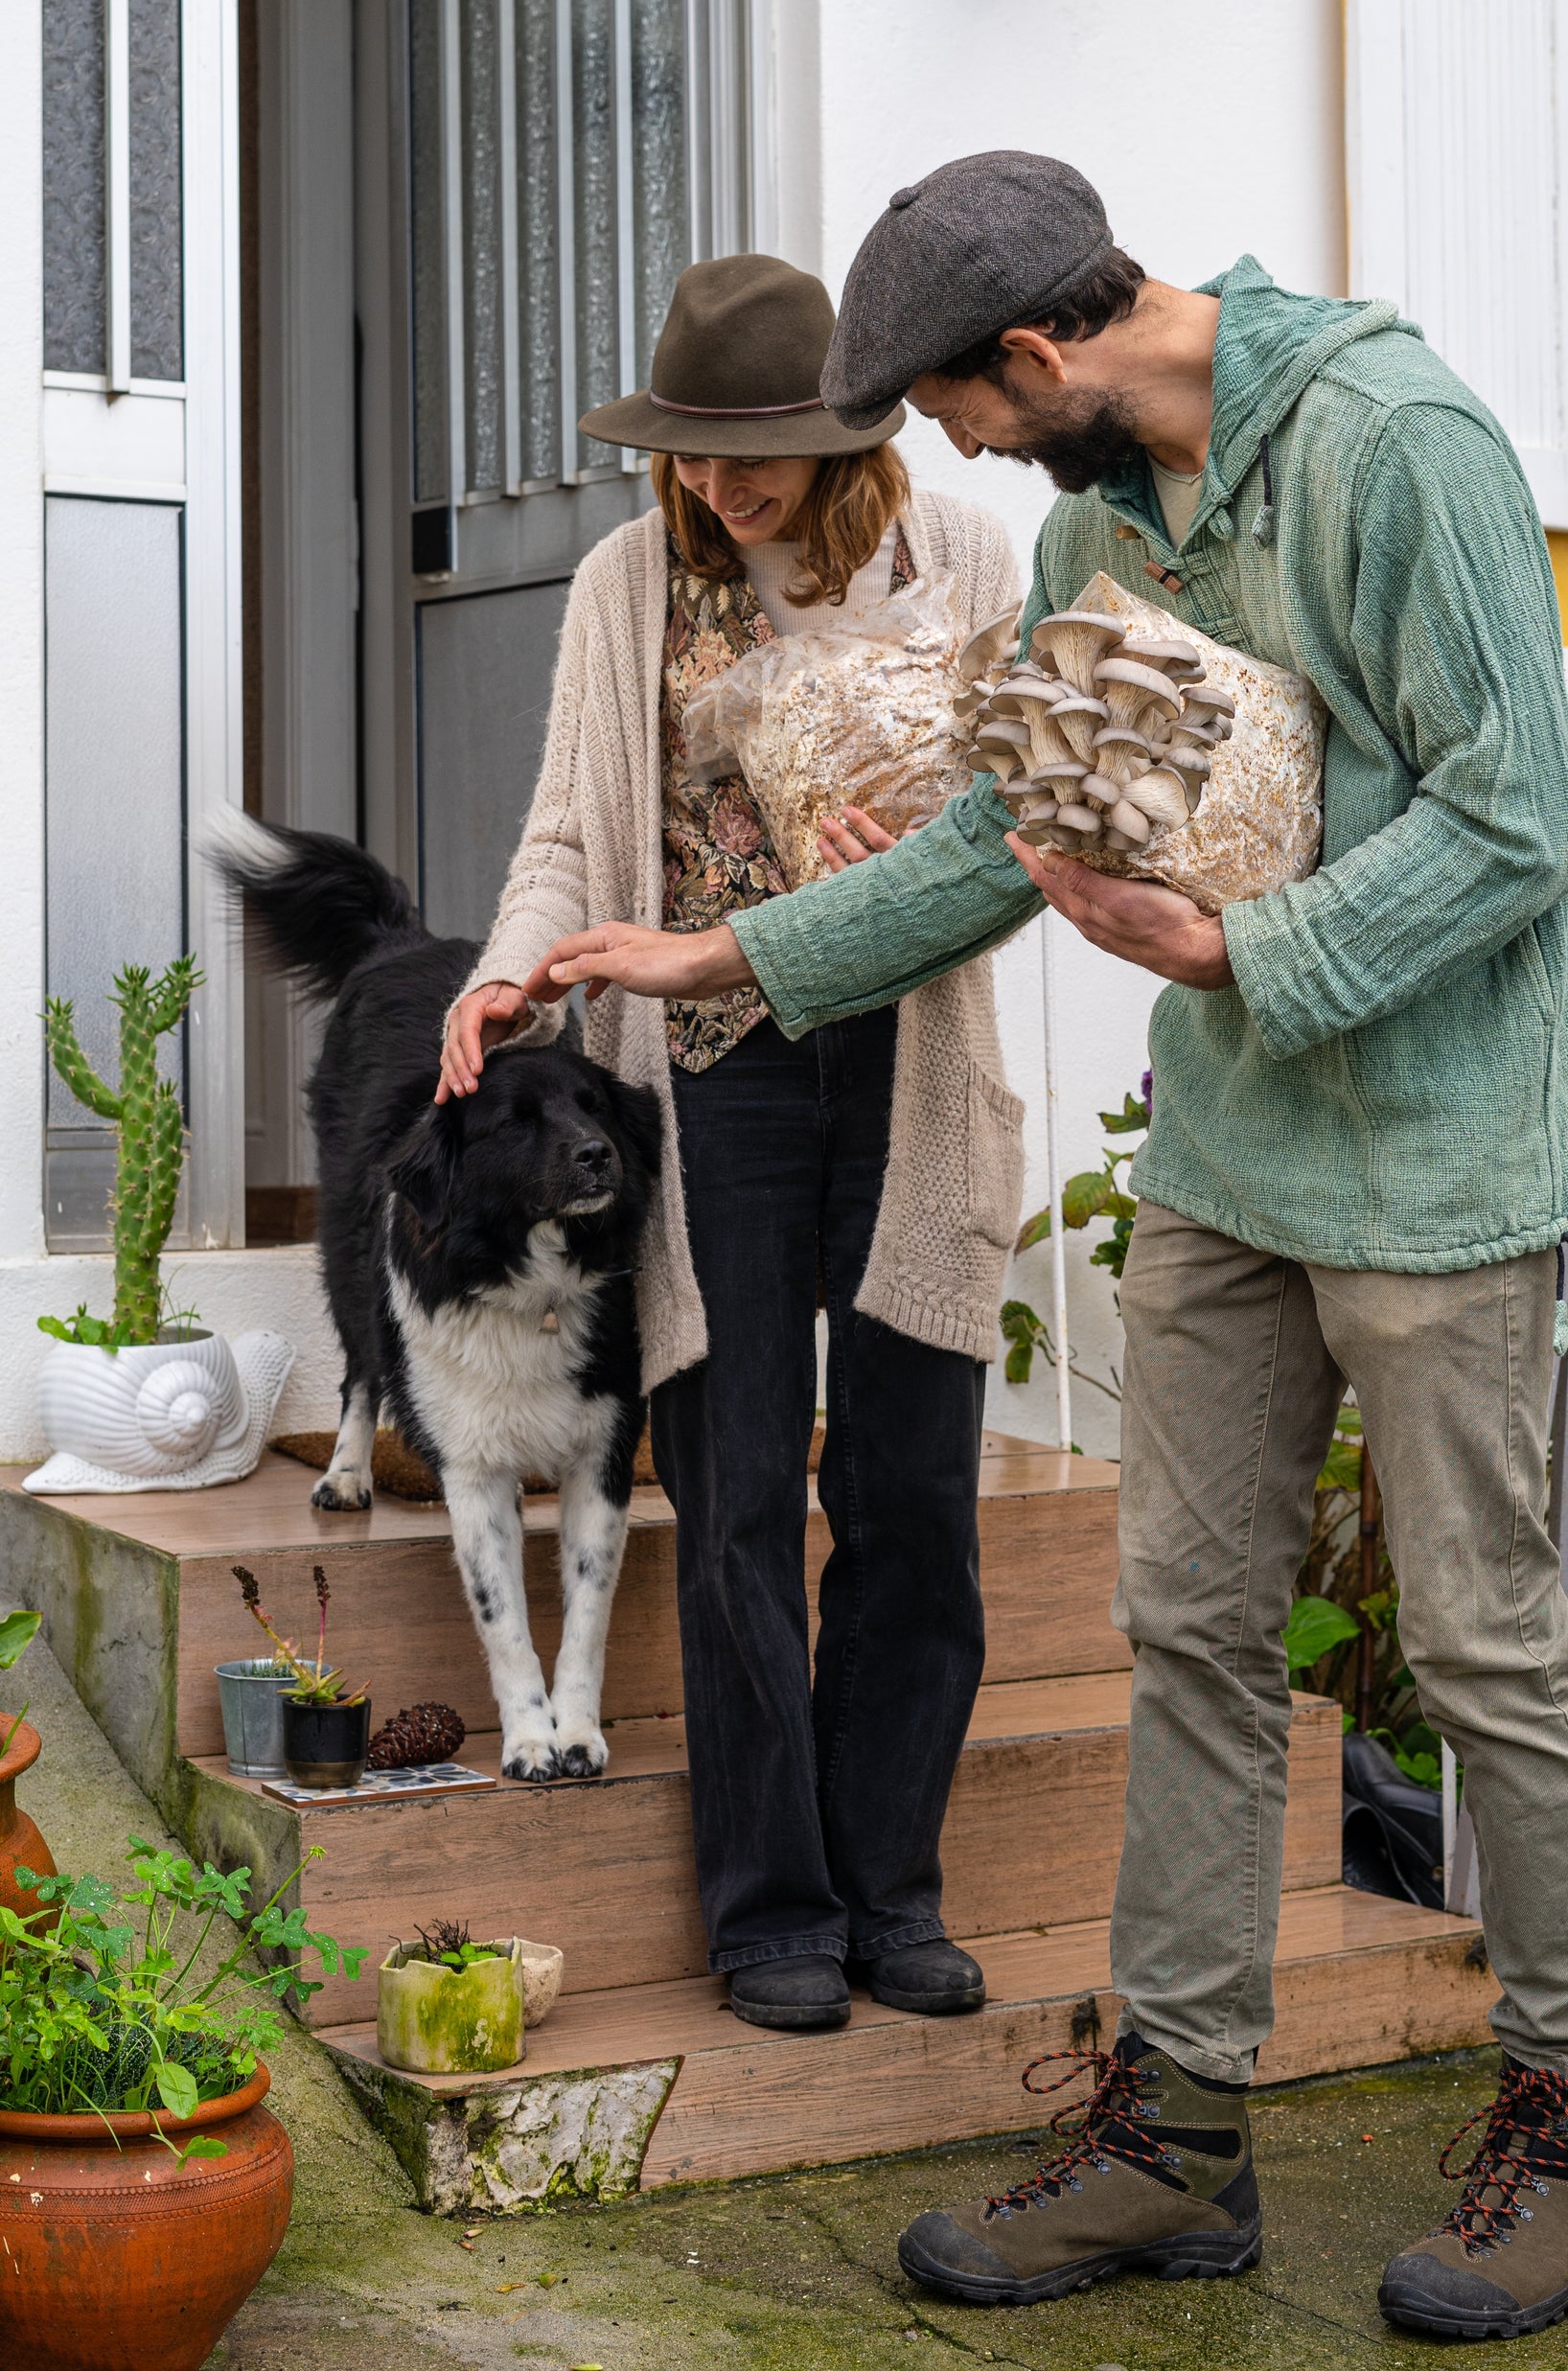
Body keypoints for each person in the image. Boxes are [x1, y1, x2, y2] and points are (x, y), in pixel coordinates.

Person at [529, 157, 1568, 2341]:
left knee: (1491, 1650)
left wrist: (1242, 940)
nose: (932, 452)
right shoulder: (1095, 526)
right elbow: (998, 839)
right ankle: (1179, 2137)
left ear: (1036, 356)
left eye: (946, 404)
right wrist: (717, 953)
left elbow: (1512, 817)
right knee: (1193, 1634)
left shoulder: (1395, 449)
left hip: (1446, 1161)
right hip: (1236, 1163)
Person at [438, 251, 1026, 2036]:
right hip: (706, 1088)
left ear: (843, 430)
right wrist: (510, 972)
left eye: (755, 449)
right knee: (738, 1496)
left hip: (911, 1072)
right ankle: (771, 1907)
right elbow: (565, 831)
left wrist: (905, 880)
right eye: (692, 454)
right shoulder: (628, 586)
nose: (721, 486)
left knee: (913, 1499)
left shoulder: (975, 562)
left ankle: (891, 1890)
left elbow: (1028, 844)